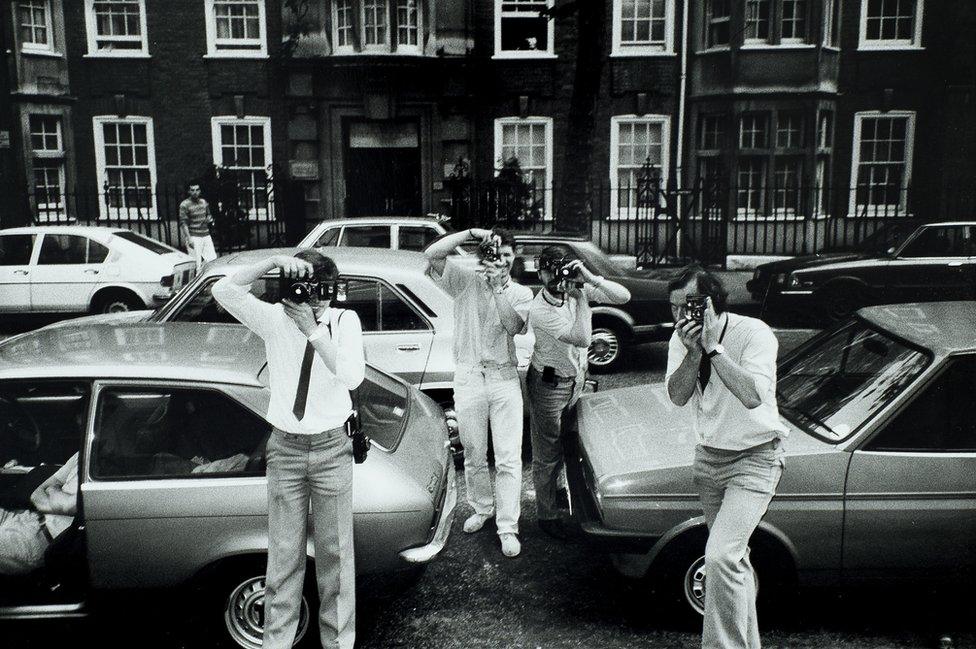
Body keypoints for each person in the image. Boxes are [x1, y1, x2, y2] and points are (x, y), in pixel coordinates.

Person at [212, 250, 365, 649]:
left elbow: (351, 375)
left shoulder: (344, 321)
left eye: (322, 291)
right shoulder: (273, 318)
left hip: (333, 448)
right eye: (306, 289)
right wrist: (274, 260)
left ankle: (339, 643)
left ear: (333, 290)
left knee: (335, 556)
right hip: (286, 449)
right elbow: (223, 289)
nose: (314, 298)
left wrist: (314, 329)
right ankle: (275, 643)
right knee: (283, 558)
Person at [664, 265, 787, 649]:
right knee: (734, 563)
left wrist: (714, 348)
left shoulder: (754, 333)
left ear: (713, 305)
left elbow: (753, 396)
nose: (680, 316)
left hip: (755, 459)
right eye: (673, 307)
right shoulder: (680, 338)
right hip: (710, 460)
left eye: (689, 305)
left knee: (720, 558)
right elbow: (678, 395)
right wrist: (692, 353)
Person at [425, 227, 533, 558]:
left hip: (503, 378)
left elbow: (514, 327)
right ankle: (482, 508)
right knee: (473, 453)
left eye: (507, 255)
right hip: (469, 376)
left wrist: (499, 286)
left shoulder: (520, 293)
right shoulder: (464, 280)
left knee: (509, 457)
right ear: (483, 254)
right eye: (494, 253)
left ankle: (507, 525)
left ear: (514, 258)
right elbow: (432, 254)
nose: (501, 260)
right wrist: (471, 233)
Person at [527, 247, 630, 540]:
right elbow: (583, 338)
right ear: (540, 272)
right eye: (547, 270)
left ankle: (560, 495)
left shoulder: (575, 287)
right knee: (548, 451)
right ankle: (547, 515)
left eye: (558, 269)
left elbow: (623, 297)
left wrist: (590, 278)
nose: (553, 277)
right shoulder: (541, 309)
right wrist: (581, 296)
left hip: (576, 381)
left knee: (572, 444)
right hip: (549, 385)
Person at [0, 453, 79, 575]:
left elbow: (68, 505)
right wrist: (57, 497)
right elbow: (36, 494)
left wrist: (52, 489)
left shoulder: (106, 471)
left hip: (43, 536)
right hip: (27, 517)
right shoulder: (80, 455)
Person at [179, 183, 217, 272]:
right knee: (197, 263)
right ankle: (197, 283)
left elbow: (209, 215)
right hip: (194, 236)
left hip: (206, 234)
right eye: (192, 190)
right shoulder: (184, 205)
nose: (195, 192)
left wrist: (209, 219)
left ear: (200, 191)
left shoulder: (204, 202)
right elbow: (183, 223)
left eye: (197, 190)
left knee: (212, 260)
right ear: (189, 191)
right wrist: (189, 238)